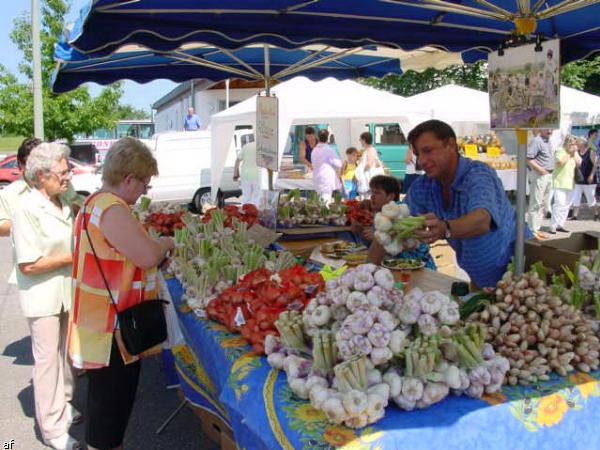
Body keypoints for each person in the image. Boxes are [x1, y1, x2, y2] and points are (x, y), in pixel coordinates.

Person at [67, 137, 175, 450]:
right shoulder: (112, 209)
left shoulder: (93, 202)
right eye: (144, 182)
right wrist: (166, 244)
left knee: (105, 411)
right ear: (129, 178)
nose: (145, 189)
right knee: (108, 421)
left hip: (97, 322)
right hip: (112, 329)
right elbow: (147, 255)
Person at [370, 120, 526, 290]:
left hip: (521, 275)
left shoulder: (478, 174)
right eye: (417, 154)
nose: (421, 161)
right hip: (482, 281)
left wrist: (446, 228)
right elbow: (389, 226)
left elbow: (482, 220)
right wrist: (367, 275)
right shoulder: (425, 186)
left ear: (451, 145)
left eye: (428, 151)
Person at [12, 143, 79, 450]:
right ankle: (52, 430)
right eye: (63, 172)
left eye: (68, 170)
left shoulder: (63, 200)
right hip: (42, 298)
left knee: (65, 357)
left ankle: (64, 407)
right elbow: (29, 264)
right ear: (42, 175)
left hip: (66, 293)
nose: (68, 176)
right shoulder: (26, 209)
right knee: (47, 361)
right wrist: (73, 257)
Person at [0, 138, 82, 283]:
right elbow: (28, 265)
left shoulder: (61, 191)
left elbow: (77, 205)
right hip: (38, 279)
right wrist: (34, 224)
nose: (66, 177)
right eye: (29, 162)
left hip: (68, 277)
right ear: (20, 165)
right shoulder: (14, 197)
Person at [356, 175, 435, 269]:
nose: (372, 196)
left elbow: (417, 245)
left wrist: (381, 239)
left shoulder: (402, 214)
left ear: (390, 196)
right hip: (394, 268)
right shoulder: (381, 215)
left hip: (418, 269)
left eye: (377, 193)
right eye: (371, 191)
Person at [549, 136, 582, 234]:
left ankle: (560, 225)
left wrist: (574, 153)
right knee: (559, 205)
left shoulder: (574, 153)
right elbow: (560, 162)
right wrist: (570, 153)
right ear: (566, 143)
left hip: (571, 183)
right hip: (560, 182)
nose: (572, 145)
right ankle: (553, 226)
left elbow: (579, 163)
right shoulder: (560, 150)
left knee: (566, 206)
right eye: (571, 143)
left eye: (574, 144)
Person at [526, 129, 554, 240]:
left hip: (548, 175)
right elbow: (528, 158)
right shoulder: (537, 140)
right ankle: (532, 231)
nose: (550, 130)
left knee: (544, 204)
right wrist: (540, 170)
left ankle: (536, 229)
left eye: (551, 128)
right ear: (541, 129)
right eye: (547, 128)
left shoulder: (548, 141)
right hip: (540, 175)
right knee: (536, 203)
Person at [311, 129, 342, 203]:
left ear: (318, 137)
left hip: (317, 178)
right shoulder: (329, 150)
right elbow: (338, 164)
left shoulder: (314, 150)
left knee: (320, 201)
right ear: (327, 138)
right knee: (326, 201)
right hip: (326, 179)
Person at [572, 132, 598, 221]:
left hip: (589, 180)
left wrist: (591, 175)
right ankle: (575, 216)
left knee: (590, 198)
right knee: (576, 197)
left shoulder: (591, 151)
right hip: (579, 179)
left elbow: (595, 164)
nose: (576, 143)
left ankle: (596, 214)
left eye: (577, 142)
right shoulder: (577, 152)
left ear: (582, 143)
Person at [355, 131, 384, 197]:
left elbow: (369, 164)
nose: (360, 141)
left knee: (368, 197)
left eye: (360, 139)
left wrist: (361, 172)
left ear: (364, 140)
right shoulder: (368, 150)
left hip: (368, 178)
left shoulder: (371, 150)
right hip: (367, 177)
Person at [234, 138, 261, 205]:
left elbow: (237, 160)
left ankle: (244, 212)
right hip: (256, 175)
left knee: (246, 196)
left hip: (245, 175)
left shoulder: (246, 146)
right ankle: (254, 212)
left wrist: (235, 174)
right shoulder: (261, 146)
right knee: (256, 196)